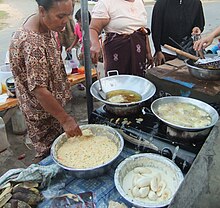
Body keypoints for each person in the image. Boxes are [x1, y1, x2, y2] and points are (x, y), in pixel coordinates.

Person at [9, 0, 82, 162]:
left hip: (52, 109)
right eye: (61, 16)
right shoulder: (32, 43)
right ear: (42, 11)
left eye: (69, 15)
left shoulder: (44, 25)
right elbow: (39, 91)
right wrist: (65, 119)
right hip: (43, 115)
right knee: (51, 156)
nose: (66, 21)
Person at [89, 0, 154, 77]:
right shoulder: (106, 3)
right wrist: (95, 44)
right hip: (117, 54)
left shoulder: (139, 2)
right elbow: (93, 28)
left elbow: (142, 30)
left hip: (138, 52)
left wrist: (148, 53)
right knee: (117, 82)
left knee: (137, 81)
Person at [151, 0, 205, 66]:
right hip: (166, 52)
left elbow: (199, 24)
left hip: (187, 53)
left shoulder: (196, 3)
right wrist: (158, 50)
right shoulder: (162, 2)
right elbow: (156, 28)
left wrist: (197, 28)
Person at [66, 9, 91, 90]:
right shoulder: (77, 26)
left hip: (90, 53)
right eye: (78, 21)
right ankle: (82, 83)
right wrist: (71, 46)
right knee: (81, 68)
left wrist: (87, 52)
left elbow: (94, 43)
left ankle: (92, 87)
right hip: (81, 51)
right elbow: (77, 37)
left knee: (91, 70)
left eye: (81, 21)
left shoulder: (91, 28)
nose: (80, 23)